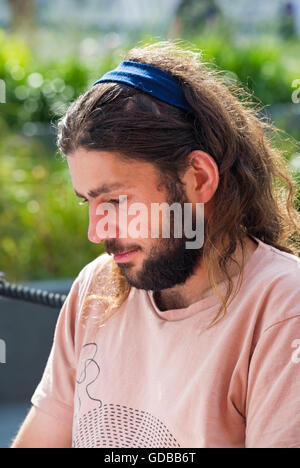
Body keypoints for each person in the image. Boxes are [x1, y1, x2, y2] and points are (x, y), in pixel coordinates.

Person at [12, 41, 300, 448]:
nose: (97, 231)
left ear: (197, 178)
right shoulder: (96, 288)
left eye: (115, 199)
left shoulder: (284, 308)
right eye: (88, 202)